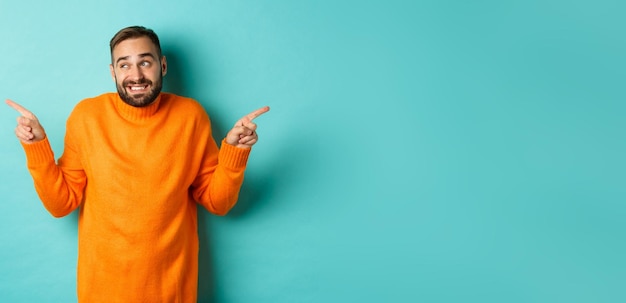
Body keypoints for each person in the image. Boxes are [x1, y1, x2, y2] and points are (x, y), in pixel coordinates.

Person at [6, 26, 269, 302]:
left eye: (145, 62)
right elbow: (61, 204)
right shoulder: (86, 117)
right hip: (102, 292)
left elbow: (219, 202)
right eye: (125, 65)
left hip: (172, 291)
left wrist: (235, 151)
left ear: (162, 65)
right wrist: (36, 146)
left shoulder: (191, 117)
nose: (136, 75)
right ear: (113, 72)